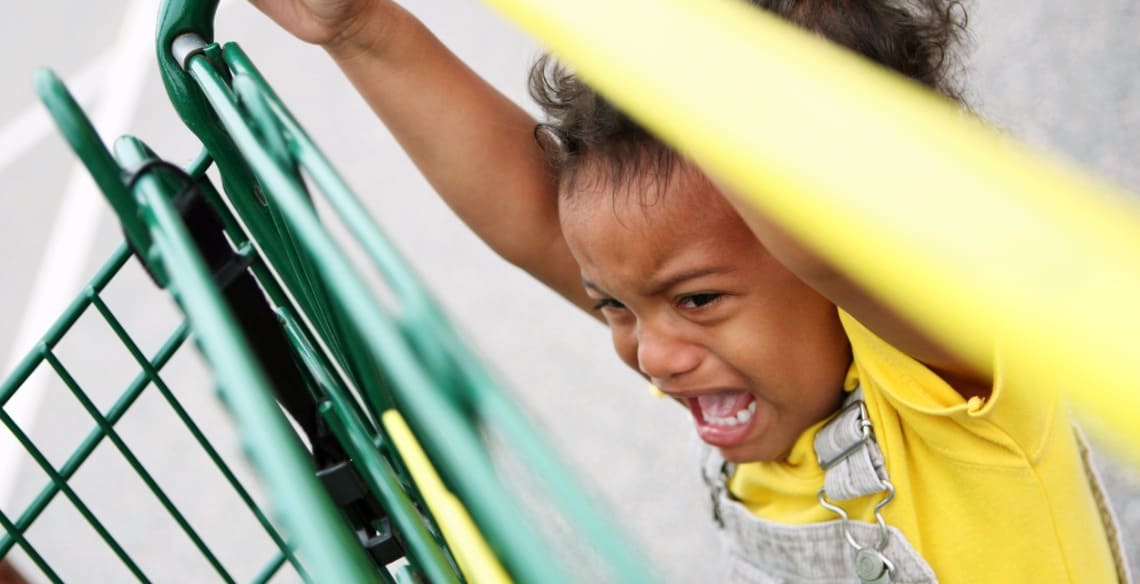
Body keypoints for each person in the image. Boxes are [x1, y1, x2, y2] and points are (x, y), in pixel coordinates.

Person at [251, 0, 1129, 581]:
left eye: (698, 299)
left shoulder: (945, 389)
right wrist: (360, 26)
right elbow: (539, 225)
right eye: (614, 306)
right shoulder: (762, 369)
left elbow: (824, 240)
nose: (654, 356)